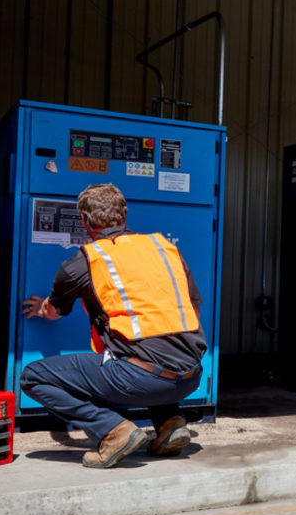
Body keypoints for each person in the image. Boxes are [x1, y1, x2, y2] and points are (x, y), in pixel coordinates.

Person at [20, 183, 206, 469]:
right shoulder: (165, 249)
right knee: (150, 349)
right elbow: (193, 307)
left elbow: (54, 311)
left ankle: (112, 430)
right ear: (124, 215)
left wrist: (40, 308)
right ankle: (169, 422)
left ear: (84, 221)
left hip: (140, 381)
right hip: (190, 376)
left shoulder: (85, 260)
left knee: (32, 377)